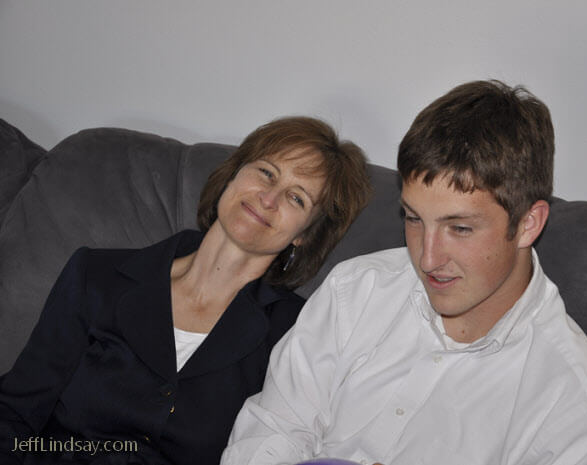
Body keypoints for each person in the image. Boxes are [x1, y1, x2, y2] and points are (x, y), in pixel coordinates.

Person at [221, 81, 587, 465]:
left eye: (460, 228)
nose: (426, 259)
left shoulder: (582, 409)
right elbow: (273, 429)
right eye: (413, 218)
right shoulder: (356, 289)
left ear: (528, 224)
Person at [0, 116, 372, 465]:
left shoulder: (297, 332)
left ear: (305, 234)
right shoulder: (96, 275)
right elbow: (15, 413)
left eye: (296, 198)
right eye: (266, 172)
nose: (268, 198)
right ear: (232, 175)